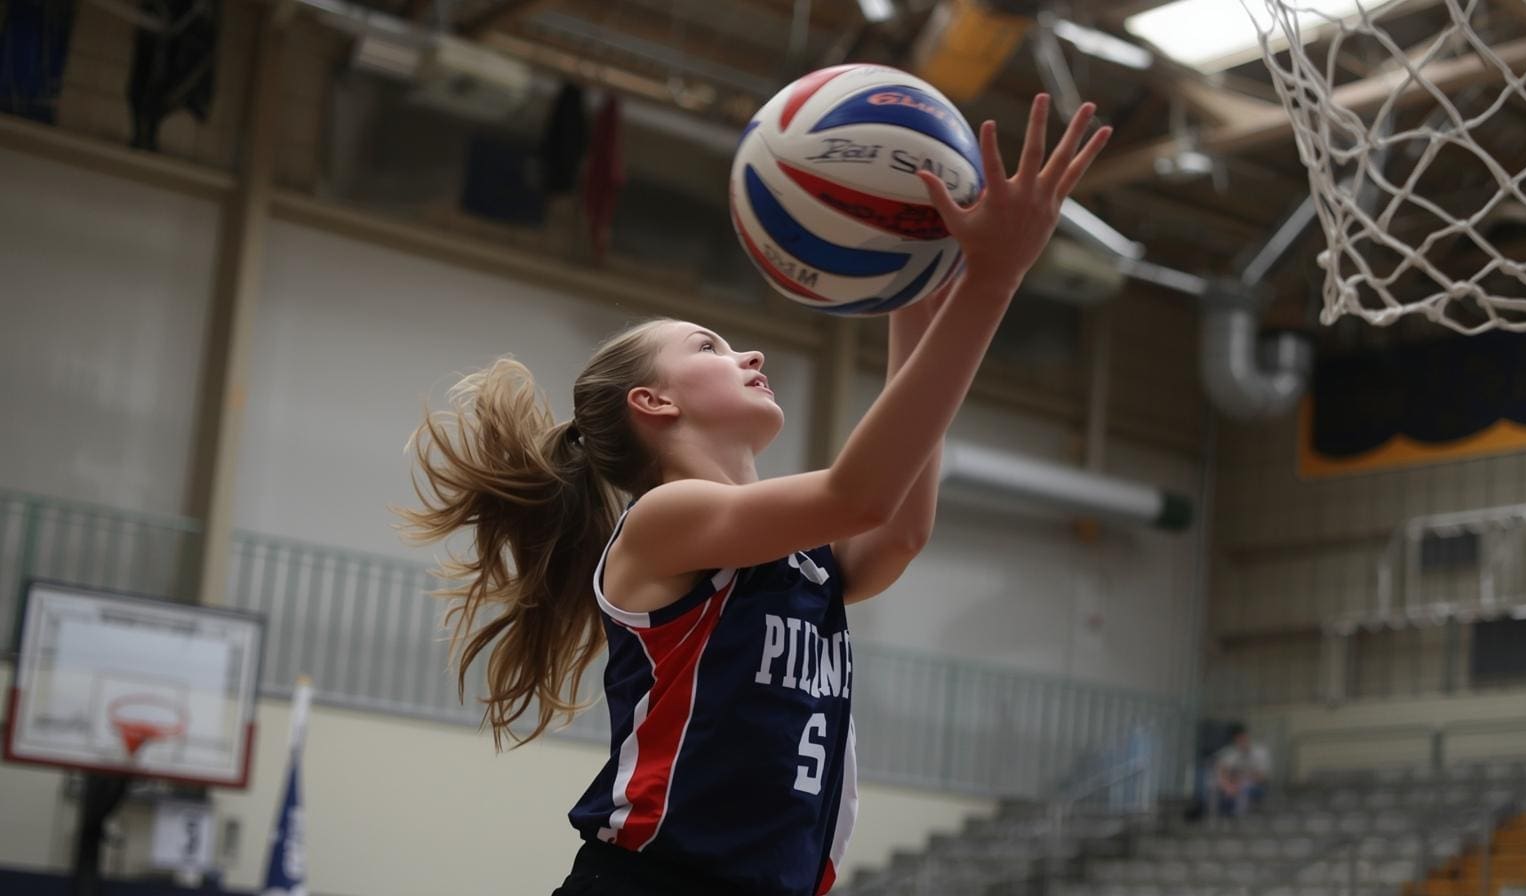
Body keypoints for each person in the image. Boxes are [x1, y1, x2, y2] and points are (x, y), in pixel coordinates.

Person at [401, 96, 1111, 896]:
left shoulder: (804, 554)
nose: (750, 352)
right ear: (654, 403)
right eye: (709, 346)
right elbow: (864, 493)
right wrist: (993, 280)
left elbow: (901, 527)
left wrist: (911, 287)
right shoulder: (664, 521)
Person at [1210, 724, 1271, 818]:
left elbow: (1262, 776)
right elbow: (1221, 769)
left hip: (1253, 783)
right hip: (1232, 782)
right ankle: (1213, 816)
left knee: (1244, 786)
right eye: (1239, 739)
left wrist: (1240, 782)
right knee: (1212, 785)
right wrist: (1227, 785)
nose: (1242, 741)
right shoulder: (1230, 752)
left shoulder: (1260, 752)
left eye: (1243, 738)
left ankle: (1239, 816)